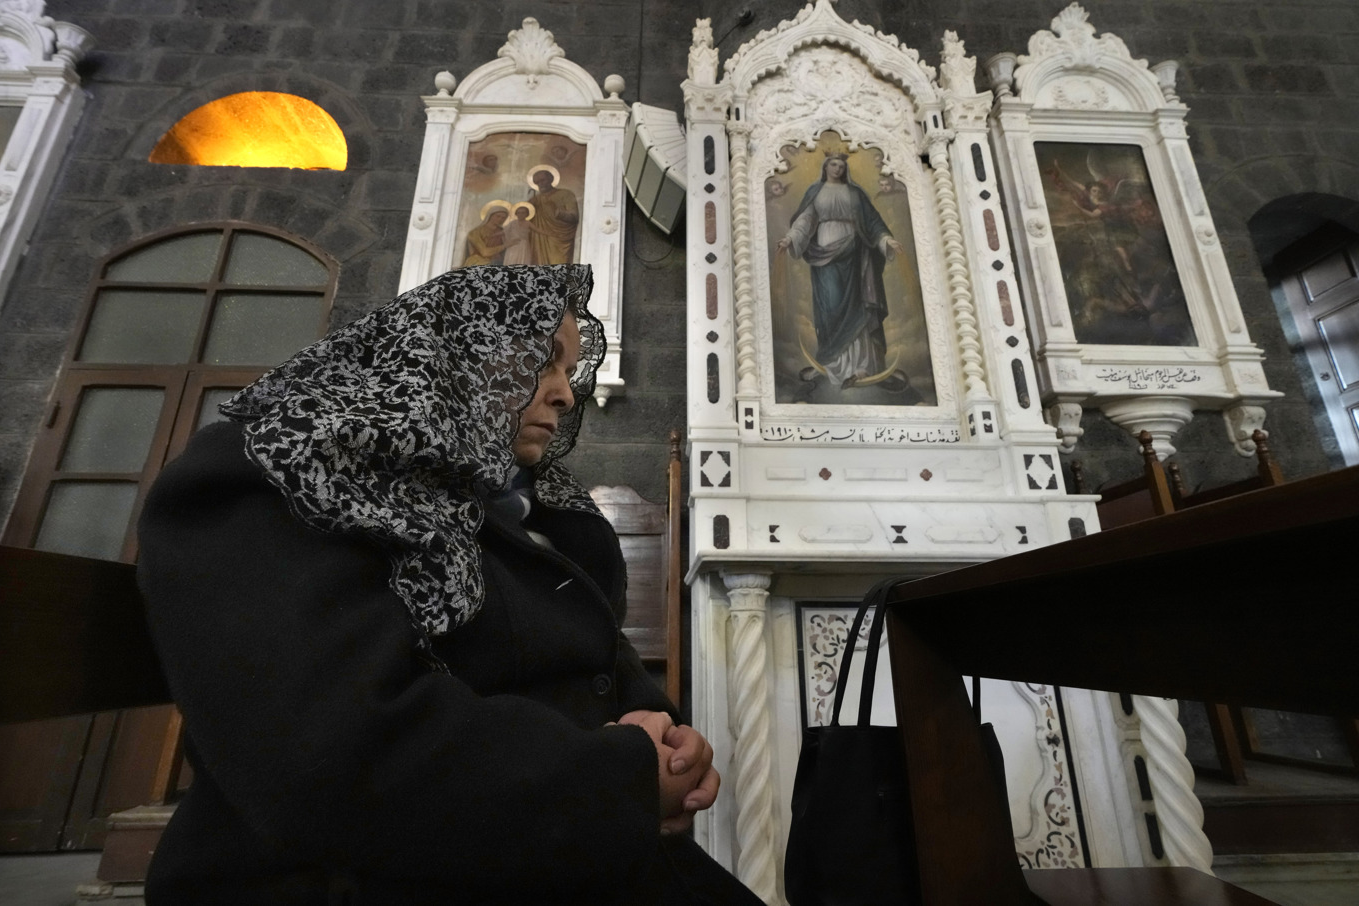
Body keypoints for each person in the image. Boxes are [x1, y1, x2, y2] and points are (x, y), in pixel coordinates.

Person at [136, 265, 762, 905]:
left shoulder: (515, 512)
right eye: (543, 361)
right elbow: (334, 755)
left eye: (569, 372)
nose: (565, 395)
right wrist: (623, 777)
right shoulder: (287, 465)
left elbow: (598, 656)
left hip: (543, 845)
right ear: (454, 351)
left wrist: (668, 741)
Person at [776, 154, 905, 388]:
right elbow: (805, 221)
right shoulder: (816, 192)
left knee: (858, 305)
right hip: (824, 259)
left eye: (842, 166)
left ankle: (863, 366)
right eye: (833, 165)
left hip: (855, 255)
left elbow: (872, 221)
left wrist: (886, 240)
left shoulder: (855, 193)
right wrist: (790, 238)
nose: (837, 169)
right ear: (825, 167)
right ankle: (832, 364)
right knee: (830, 307)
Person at [526, 167, 579, 265]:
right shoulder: (535, 200)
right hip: (539, 239)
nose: (540, 184)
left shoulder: (565, 194)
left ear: (551, 179)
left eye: (543, 180)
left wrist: (557, 211)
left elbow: (574, 217)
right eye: (537, 182)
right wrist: (530, 208)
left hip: (560, 238)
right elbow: (525, 221)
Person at [501, 202, 536, 266]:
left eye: (523, 213)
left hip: (523, 246)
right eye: (519, 213)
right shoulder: (513, 223)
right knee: (512, 260)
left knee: (522, 261)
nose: (520, 214)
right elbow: (504, 232)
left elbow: (537, 230)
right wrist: (492, 235)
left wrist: (549, 233)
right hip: (513, 245)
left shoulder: (528, 223)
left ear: (527, 214)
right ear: (516, 214)